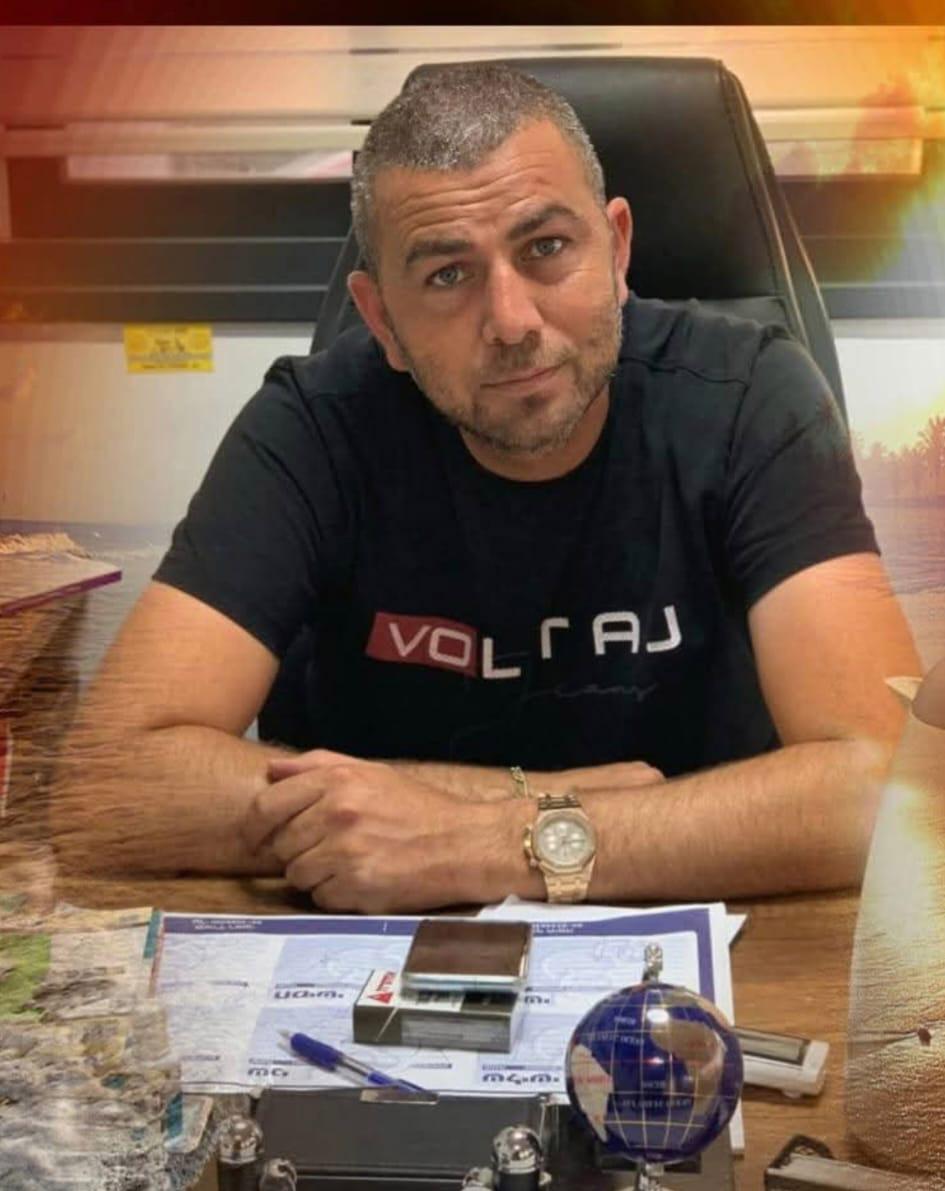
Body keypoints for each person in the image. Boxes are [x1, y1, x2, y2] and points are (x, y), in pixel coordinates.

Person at [52, 62, 920, 912]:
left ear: (616, 250)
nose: (510, 322)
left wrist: (490, 840)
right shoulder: (312, 428)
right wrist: (527, 798)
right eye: (446, 275)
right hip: (376, 944)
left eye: (546, 249)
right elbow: (106, 788)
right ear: (381, 318)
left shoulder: (750, 397)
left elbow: (891, 783)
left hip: (712, 943)